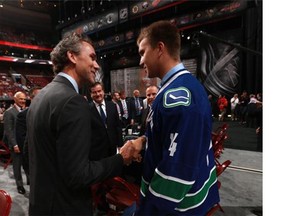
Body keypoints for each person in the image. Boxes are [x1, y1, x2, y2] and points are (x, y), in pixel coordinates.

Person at [26, 33, 135, 215]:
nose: (97, 65)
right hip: (66, 208)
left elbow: (29, 158)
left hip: (40, 206)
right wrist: (120, 159)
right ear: (72, 56)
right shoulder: (73, 102)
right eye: (92, 57)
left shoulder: (40, 97)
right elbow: (79, 175)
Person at [130, 20, 220, 215]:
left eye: (142, 52)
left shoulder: (179, 97)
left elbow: (176, 170)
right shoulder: (181, 86)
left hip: (177, 208)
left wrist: (148, 212)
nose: (140, 61)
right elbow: (171, 137)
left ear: (159, 48)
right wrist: (144, 141)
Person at [89, 82, 123, 160]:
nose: (97, 94)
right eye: (94, 92)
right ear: (91, 94)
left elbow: (117, 126)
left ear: (103, 91)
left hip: (112, 148)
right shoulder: (87, 109)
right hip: (96, 151)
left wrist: (120, 144)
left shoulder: (112, 106)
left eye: (99, 91)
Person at [15, 87, 41, 186]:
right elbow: (22, 140)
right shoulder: (23, 115)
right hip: (32, 159)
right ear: (31, 98)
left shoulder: (50, 113)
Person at [3, 91, 28, 195]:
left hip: (25, 143)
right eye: (20, 98)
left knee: (27, 164)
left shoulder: (26, 111)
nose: (22, 101)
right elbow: (8, 131)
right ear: (15, 99)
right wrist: (14, 144)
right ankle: (20, 185)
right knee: (17, 166)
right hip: (16, 144)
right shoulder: (9, 112)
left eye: (24, 99)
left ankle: (30, 181)